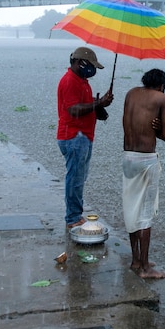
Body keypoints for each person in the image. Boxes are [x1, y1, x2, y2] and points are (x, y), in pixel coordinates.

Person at [121, 68, 165, 279]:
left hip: (128, 157)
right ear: (161, 85)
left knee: (131, 208)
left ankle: (135, 260)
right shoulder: (161, 98)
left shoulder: (131, 93)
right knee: (146, 213)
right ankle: (145, 268)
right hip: (145, 160)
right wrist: (159, 127)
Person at [57, 46, 113, 229]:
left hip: (83, 136)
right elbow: (73, 110)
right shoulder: (70, 81)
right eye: (90, 65)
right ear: (79, 63)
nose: (92, 70)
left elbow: (84, 106)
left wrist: (99, 108)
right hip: (74, 136)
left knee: (79, 177)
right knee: (74, 178)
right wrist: (98, 103)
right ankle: (72, 218)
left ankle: (76, 214)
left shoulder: (82, 81)